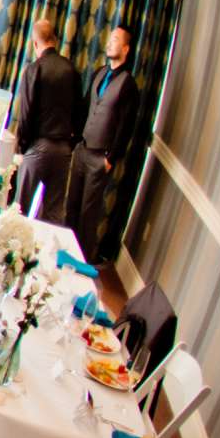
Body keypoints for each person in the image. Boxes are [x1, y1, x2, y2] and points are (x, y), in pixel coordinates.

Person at [69, 25, 140, 261]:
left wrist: (111, 158)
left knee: (88, 214)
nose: (110, 43)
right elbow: (85, 107)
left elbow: (125, 127)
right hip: (82, 148)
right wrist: (75, 139)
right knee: (72, 205)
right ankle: (63, 255)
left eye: (116, 40)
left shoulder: (128, 85)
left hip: (101, 157)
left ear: (126, 48)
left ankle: (80, 261)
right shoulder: (99, 72)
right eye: (110, 38)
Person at [10, 18, 80, 220]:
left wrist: (23, 146)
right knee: (52, 214)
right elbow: (81, 112)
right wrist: (71, 142)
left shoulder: (34, 69)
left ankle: (14, 250)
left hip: (38, 146)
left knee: (19, 211)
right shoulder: (72, 70)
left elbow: (26, 113)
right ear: (55, 40)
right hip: (64, 149)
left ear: (34, 43)